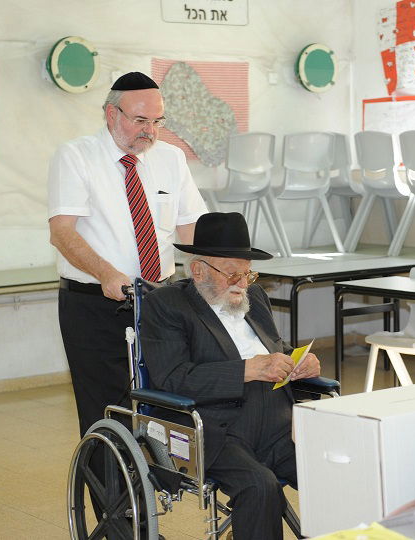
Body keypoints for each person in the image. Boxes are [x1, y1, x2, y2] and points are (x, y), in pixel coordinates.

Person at [140, 212, 322, 540]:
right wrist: (247, 370)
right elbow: (173, 377)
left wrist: (300, 363)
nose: (242, 283)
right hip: (214, 428)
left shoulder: (256, 298)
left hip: (277, 426)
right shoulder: (167, 305)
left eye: (247, 274)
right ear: (198, 270)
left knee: (334, 469)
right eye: (232, 274)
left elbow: (275, 347)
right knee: (259, 486)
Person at [48, 71, 207, 437]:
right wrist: (107, 274)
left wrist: (211, 274)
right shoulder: (76, 157)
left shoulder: (171, 158)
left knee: (166, 406)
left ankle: (154, 489)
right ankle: (114, 494)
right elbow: (62, 232)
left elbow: (191, 228)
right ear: (111, 114)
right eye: (140, 120)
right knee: (109, 412)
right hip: (96, 306)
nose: (149, 131)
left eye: (156, 122)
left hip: (160, 301)